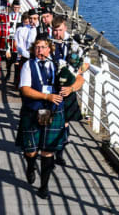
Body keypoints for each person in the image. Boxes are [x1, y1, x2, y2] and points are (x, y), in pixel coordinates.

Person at [16, 36, 65, 199]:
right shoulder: (28, 66)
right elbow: (25, 89)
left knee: (47, 151)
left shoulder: (58, 65)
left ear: (50, 49)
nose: (40, 51)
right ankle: (30, 165)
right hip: (33, 110)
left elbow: (80, 75)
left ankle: (44, 187)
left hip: (52, 112)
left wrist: (71, 88)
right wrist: (46, 97)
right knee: (30, 151)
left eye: (43, 47)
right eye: (37, 47)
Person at [50, 16, 87, 166]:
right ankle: (48, 152)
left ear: (65, 28)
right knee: (48, 122)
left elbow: (84, 67)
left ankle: (60, 153)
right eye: (55, 30)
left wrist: (72, 83)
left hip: (67, 90)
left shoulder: (74, 45)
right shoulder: (48, 43)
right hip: (51, 88)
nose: (57, 33)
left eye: (60, 30)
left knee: (64, 123)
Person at [13, 10, 37, 88]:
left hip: (36, 56)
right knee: (24, 77)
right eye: (30, 18)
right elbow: (17, 43)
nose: (32, 21)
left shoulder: (39, 30)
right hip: (25, 56)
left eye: (35, 18)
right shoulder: (21, 30)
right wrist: (21, 52)